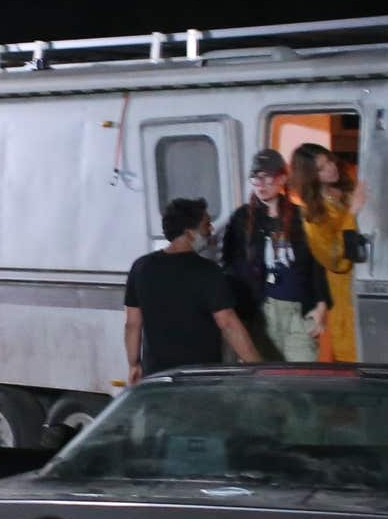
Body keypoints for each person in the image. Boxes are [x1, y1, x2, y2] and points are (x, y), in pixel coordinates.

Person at [125, 196, 263, 382]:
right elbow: (229, 324)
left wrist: (134, 364)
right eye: (206, 225)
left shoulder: (141, 267)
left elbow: (133, 324)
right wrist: (258, 367)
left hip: (157, 378)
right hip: (200, 379)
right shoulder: (208, 272)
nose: (211, 230)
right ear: (189, 233)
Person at [220, 147, 331, 362]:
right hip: (260, 312)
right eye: (255, 178)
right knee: (265, 379)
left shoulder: (301, 216)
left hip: (298, 311)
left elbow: (317, 263)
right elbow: (230, 264)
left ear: (282, 178)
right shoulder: (242, 218)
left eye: (267, 177)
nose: (261, 184)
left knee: (301, 377)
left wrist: (321, 305)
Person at [292, 143, 363, 363]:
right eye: (322, 168)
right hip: (343, 292)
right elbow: (333, 259)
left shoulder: (348, 186)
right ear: (311, 176)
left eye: (329, 161)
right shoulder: (313, 214)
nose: (331, 168)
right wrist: (352, 214)